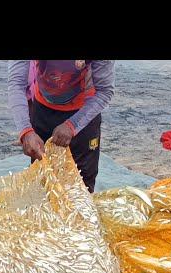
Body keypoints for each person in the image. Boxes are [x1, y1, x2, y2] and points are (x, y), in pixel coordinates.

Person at [8, 60, 115, 193]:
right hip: (43, 109)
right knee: (43, 181)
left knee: (83, 186)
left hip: (84, 112)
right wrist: (25, 131)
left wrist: (72, 125)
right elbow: (17, 83)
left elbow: (104, 91)